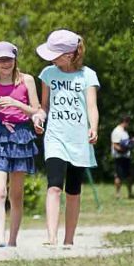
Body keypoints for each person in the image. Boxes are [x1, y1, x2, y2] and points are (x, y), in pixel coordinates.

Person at [32, 29, 99, 248]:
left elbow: (91, 106)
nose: (50, 58)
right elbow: (45, 107)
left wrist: (94, 127)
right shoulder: (48, 74)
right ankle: (51, 237)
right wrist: (39, 118)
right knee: (53, 187)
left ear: (69, 55)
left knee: (73, 191)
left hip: (78, 139)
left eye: (54, 53)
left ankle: (69, 240)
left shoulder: (87, 75)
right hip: (55, 137)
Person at [0, 41, 40, 248]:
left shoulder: (27, 80)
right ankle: (0, 240)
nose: (5, 63)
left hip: (21, 136)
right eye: (0, 60)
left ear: (15, 60)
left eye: (8, 59)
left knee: (16, 194)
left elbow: (37, 111)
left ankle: (12, 240)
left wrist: (16, 104)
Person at [110, 115, 134, 199]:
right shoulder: (117, 131)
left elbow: (126, 143)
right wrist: (125, 150)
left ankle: (130, 193)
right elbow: (115, 145)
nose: (128, 125)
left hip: (125, 157)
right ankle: (117, 194)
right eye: (128, 122)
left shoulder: (124, 131)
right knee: (118, 176)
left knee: (129, 175)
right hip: (119, 157)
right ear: (125, 122)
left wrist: (132, 141)